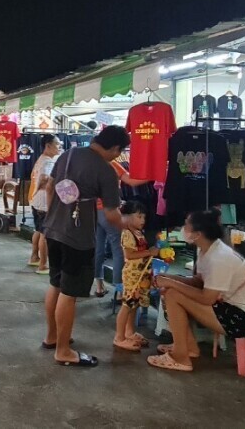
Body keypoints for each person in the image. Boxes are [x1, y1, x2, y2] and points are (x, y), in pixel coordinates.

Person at [41, 125, 130, 368]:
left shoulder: (67, 154)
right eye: (119, 152)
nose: (117, 156)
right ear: (114, 148)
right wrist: (128, 225)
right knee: (69, 294)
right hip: (77, 238)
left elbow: (49, 188)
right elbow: (112, 214)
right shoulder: (105, 170)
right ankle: (63, 350)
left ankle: (52, 337)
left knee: (56, 285)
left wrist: (54, 217)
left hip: (53, 231)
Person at [149, 210, 245, 372]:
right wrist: (170, 279)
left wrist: (170, 283)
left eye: (187, 225)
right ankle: (189, 348)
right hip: (231, 309)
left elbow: (207, 298)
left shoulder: (220, 257)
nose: (183, 229)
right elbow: (197, 282)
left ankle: (181, 357)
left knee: (172, 294)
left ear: (198, 234)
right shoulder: (205, 250)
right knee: (171, 292)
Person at [94, 155, 151, 297]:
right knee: (118, 249)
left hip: (92, 210)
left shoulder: (90, 163)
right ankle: (119, 292)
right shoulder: (112, 164)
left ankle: (99, 286)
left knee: (98, 249)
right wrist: (154, 175)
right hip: (110, 210)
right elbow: (131, 181)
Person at [112, 201, 157, 352]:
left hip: (141, 276)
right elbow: (129, 254)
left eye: (143, 217)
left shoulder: (138, 232)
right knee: (127, 305)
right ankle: (119, 337)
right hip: (133, 276)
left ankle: (129, 332)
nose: (143, 220)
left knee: (134, 304)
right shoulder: (127, 233)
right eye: (139, 217)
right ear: (127, 217)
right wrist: (149, 252)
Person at [28, 135, 60, 275]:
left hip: (36, 200)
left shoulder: (41, 159)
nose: (59, 147)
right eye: (57, 145)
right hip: (44, 202)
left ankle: (34, 256)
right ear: (48, 146)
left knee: (38, 230)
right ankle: (43, 265)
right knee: (45, 235)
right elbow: (45, 179)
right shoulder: (48, 162)